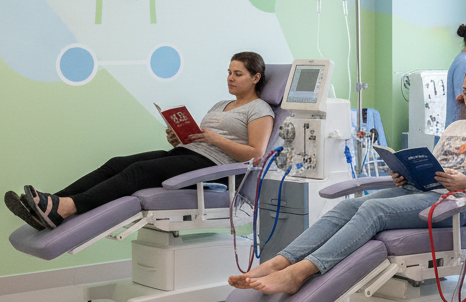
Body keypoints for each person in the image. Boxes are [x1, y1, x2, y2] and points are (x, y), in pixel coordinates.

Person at [231, 61, 466, 296]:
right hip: (422, 191)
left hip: (455, 205)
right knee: (348, 206)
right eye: (465, 92)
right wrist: (404, 172)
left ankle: (300, 272)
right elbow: (434, 165)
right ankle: (278, 263)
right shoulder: (456, 126)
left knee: (374, 209)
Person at [5, 52, 274, 231]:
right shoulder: (222, 103)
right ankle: (49, 203)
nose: (230, 77)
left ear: (255, 78)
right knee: (116, 163)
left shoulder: (260, 109)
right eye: (229, 72)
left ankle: (66, 208)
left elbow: (254, 153)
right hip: (190, 155)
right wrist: (178, 137)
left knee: (139, 172)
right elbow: (201, 141)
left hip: (214, 170)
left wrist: (213, 137)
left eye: (238, 74)